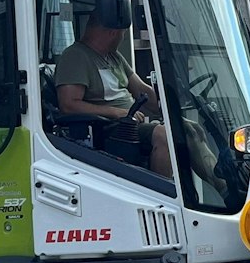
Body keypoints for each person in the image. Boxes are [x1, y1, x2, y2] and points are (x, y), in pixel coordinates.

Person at [54, 13, 172, 177]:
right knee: (164, 135)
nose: (122, 38)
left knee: (187, 128)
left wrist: (168, 106)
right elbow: (69, 104)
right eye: (123, 33)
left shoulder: (114, 57)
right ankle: (166, 195)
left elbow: (140, 90)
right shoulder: (75, 56)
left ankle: (220, 186)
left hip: (131, 122)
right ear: (112, 32)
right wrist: (116, 112)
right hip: (110, 128)